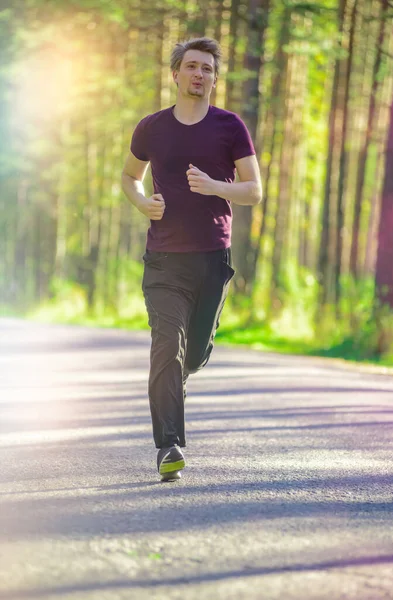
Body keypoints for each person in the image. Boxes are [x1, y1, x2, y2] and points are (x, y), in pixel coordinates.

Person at [121, 37, 262, 482]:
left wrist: (216, 186)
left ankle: (174, 389)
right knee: (166, 346)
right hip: (164, 260)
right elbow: (129, 177)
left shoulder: (229, 126)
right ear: (176, 73)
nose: (199, 74)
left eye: (207, 69)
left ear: (214, 79)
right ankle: (169, 446)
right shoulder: (152, 127)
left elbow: (254, 191)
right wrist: (143, 203)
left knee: (193, 354)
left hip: (212, 259)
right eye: (192, 66)